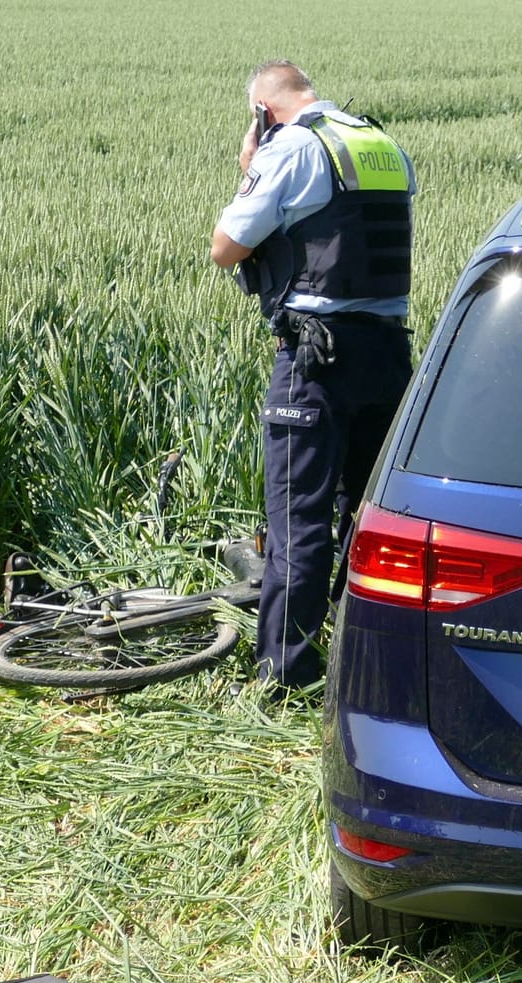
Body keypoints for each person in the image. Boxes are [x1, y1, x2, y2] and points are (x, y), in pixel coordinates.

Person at [210, 59, 416, 695]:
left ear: (263, 112)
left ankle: (284, 675)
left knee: (299, 519)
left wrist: (254, 162)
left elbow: (226, 246)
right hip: (387, 355)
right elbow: (341, 226)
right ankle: (372, 662)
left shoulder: (293, 146)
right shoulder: (379, 143)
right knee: (374, 518)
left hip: (316, 360)